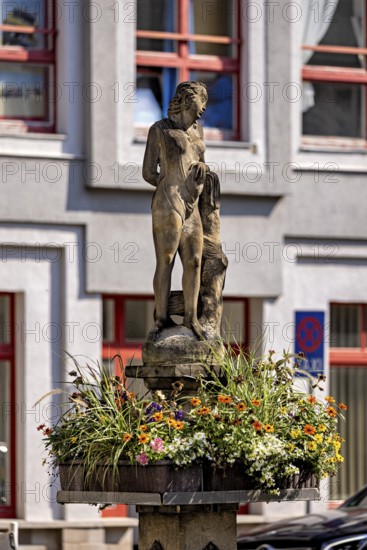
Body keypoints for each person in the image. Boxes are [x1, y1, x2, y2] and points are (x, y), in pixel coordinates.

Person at [143, 81, 209, 340]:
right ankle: (161, 318)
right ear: (185, 100)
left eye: (205, 101)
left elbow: (201, 163)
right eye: (199, 100)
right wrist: (169, 183)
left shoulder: (199, 133)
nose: (203, 107)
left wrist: (203, 172)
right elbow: (148, 171)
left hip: (192, 203)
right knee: (167, 260)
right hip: (168, 201)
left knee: (194, 261)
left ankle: (191, 318)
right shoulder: (160, 130)